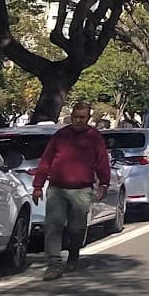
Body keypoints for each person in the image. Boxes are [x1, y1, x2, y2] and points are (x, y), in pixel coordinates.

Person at [33, 101, 111, 281]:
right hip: (57, 188)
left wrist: (104, 184)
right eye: (75, 117)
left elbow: (102, 163)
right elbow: (46, 161)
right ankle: (54, 263)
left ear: (88, 117)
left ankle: (73, 254)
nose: (78, 120)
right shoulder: (60, 136)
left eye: (82, 118)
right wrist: (38, 186)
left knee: (77, 228)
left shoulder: (94, 137)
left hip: (81, 190)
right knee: (53, 225)